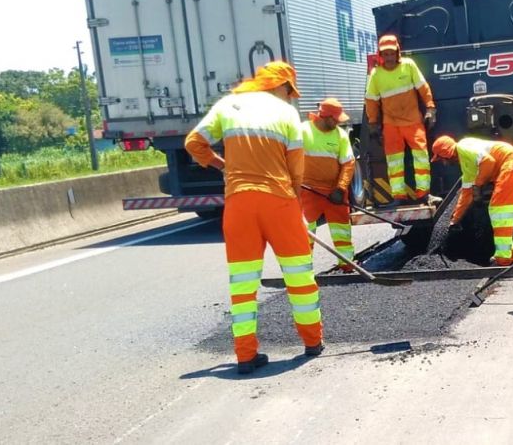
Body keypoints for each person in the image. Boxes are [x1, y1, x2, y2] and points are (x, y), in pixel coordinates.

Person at [184, 61, 323, 374]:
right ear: (281, 86)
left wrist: (222, 165)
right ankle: (313, 341)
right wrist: (296, 209)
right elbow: (296, 169)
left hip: (239, 203)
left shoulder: (228, 105)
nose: (290, 97)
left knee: (243, 284)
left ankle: (245, 355)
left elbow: (193, 143)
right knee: (300, 277)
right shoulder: (287, 113)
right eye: (290, 91)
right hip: (279, 201)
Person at [365, 34, 440, 207]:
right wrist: (373, 123)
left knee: (421, 158)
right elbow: (371, 100)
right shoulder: (376, 74)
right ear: (380, 55)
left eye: (392, 53)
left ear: (397, 52)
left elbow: (423, 88)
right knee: (394, 162)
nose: (389, 57)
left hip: (413, 120)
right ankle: (398, 197)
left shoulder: (408, 65)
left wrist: (430, 108)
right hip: (391, 124)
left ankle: (424, 195)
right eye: (385, 54)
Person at [431, 136, 513, 266]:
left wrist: (478, 183)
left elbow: (488, 161)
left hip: (511, 165)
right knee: (499, 214)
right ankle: (509, 253)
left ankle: (503, 258)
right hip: (509, 167)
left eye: (442, 159)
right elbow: (466, 193)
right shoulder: (467, 165)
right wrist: (455, 219)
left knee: (499, 212)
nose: (444, 163)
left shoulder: (463, 147)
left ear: (447, 153)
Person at [301, 98, 356, 271]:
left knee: (341, 230)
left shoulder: (340, 135)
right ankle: (303, 270)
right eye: (336, 119)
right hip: (308, 190)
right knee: (305, 231)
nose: (339, 122)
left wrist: (340, 188)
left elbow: (348, 164)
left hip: (334, 191)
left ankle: (347, 264)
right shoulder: (303, 131)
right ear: (325, 117)